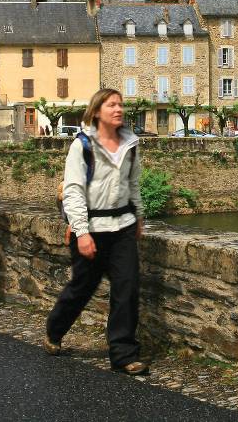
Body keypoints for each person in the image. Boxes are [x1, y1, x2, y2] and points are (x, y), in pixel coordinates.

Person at [44, 88, 147, 375]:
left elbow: (133, 183)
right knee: (82, 288)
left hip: (123, 226)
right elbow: (74, 191)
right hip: (92, 227)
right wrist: (81, 232)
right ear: (97, 111)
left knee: (127, 287)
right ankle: (55, 329)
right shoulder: (83, 145)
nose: (119, 109)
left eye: (121, 104)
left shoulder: (131, 143)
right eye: (112, 104)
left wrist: (138, 215)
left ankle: (123, 354)